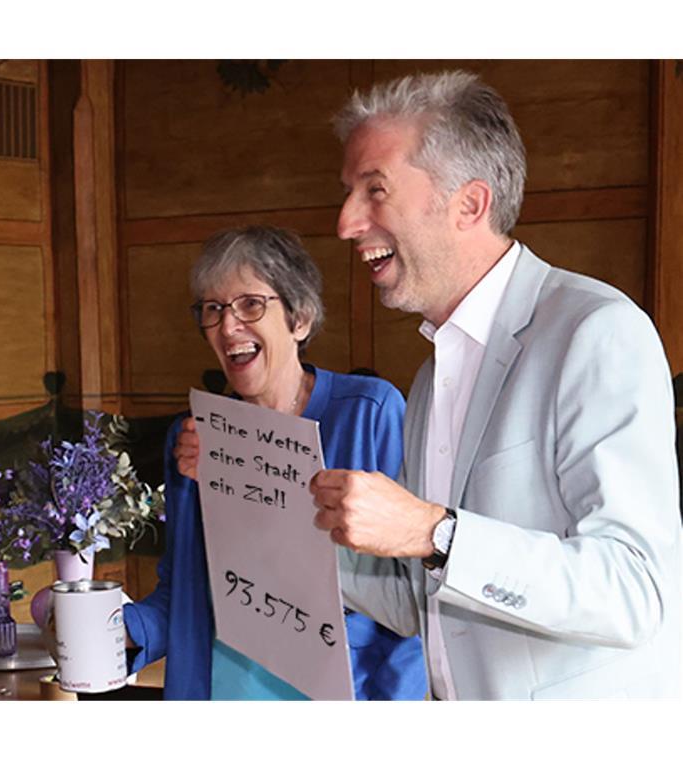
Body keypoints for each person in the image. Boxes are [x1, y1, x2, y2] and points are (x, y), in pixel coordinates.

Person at [294, 70, 679, 698]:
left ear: (469, 204)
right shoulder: (428, 376)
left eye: (375, 189)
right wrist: (268, 512)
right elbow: (426, 606)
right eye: (348, 192)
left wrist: (433, 532)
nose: (344, 223)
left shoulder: (596, 331)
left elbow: (634, 590)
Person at [124, 225, 427, 700]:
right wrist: (118, 630)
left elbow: (410, 592)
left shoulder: (369, 413)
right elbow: (184, 593)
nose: (227, 327)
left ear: (300, 319)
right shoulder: (193, 437)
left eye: (250, 305)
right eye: (213, 309)